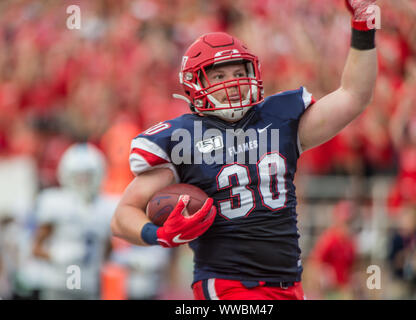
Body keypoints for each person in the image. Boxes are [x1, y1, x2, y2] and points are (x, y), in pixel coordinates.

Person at [111, 0, 378, 300]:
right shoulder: (184, 137)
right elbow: (122, 215)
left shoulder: (279, 119)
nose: (232, 83)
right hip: (229, 285)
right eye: (220, 76)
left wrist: (363, 27)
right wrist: (158, 234)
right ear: (194, 84)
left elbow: (355, 95)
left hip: (288, 283)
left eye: (238, 72)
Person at [29, 142, 118, 299]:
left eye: (88, 175)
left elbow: (108, 249)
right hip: (58, 284)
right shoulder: (54, 202)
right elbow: (35, 248)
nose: (83, 181)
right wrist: (56, 255)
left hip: (89, 285)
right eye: (78, 176)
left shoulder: (106, 206)